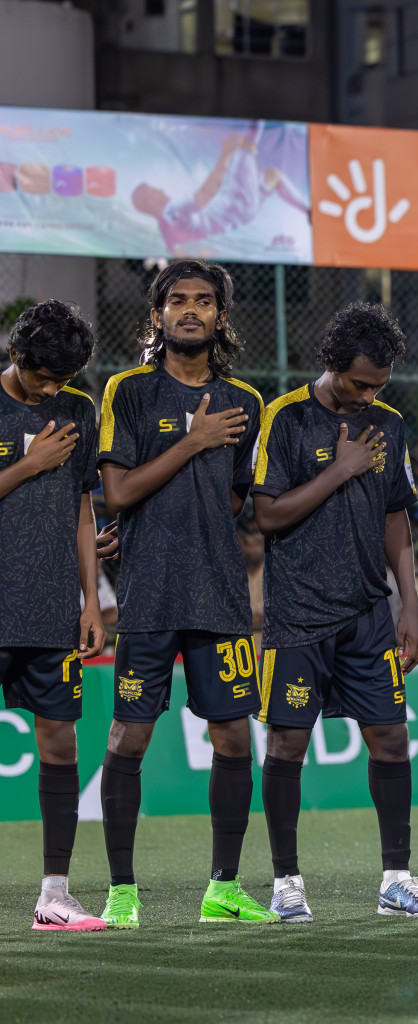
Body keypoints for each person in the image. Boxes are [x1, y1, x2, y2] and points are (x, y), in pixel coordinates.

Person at [95, 260, 274, 927]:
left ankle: (223, 888)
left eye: (204, 301)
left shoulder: (247, 403)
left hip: (219, 595)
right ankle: (121, 892)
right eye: (177, 301)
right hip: (147, 592)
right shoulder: (130, 391)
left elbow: (233, 496)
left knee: (233, 739)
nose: (190, 310)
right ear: (157, 315)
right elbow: (117, 493)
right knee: (129, 738)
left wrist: (193, 495)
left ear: (222, 317)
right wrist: (193, 441)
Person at [253, 302, 418, 921]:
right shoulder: (284, 417)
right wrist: (339, 469)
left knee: (390, 739)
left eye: (379, 385)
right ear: (330, 364)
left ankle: (397, 879)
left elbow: (395, 515)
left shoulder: (387, 422)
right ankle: (286, 883)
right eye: (360, 383)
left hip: (367, 613)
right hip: (298, 613)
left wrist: (408, 602)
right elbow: (267, 515)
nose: (368, 395)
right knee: (288, 744)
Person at [0, 300, 109, 931]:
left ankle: (54, 894)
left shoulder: (77, 409)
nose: (51, 390)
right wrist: (27, 465)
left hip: (49, 610)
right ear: (16, 354)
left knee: (61, 746)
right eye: (42, 378)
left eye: (61, 380)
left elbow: (82, 509)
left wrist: (90, 600)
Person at [132, 130, 306, 255]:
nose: (160, 189)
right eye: (153, 190)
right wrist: (226, 153)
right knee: (247, 145)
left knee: (273, 175)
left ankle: (309, 211)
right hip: (236, 205)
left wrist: (200, 255)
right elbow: (207, 193)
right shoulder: (172, 211)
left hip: (241, 215)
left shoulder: (165, 229)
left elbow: (177, 252)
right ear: (148, 200)